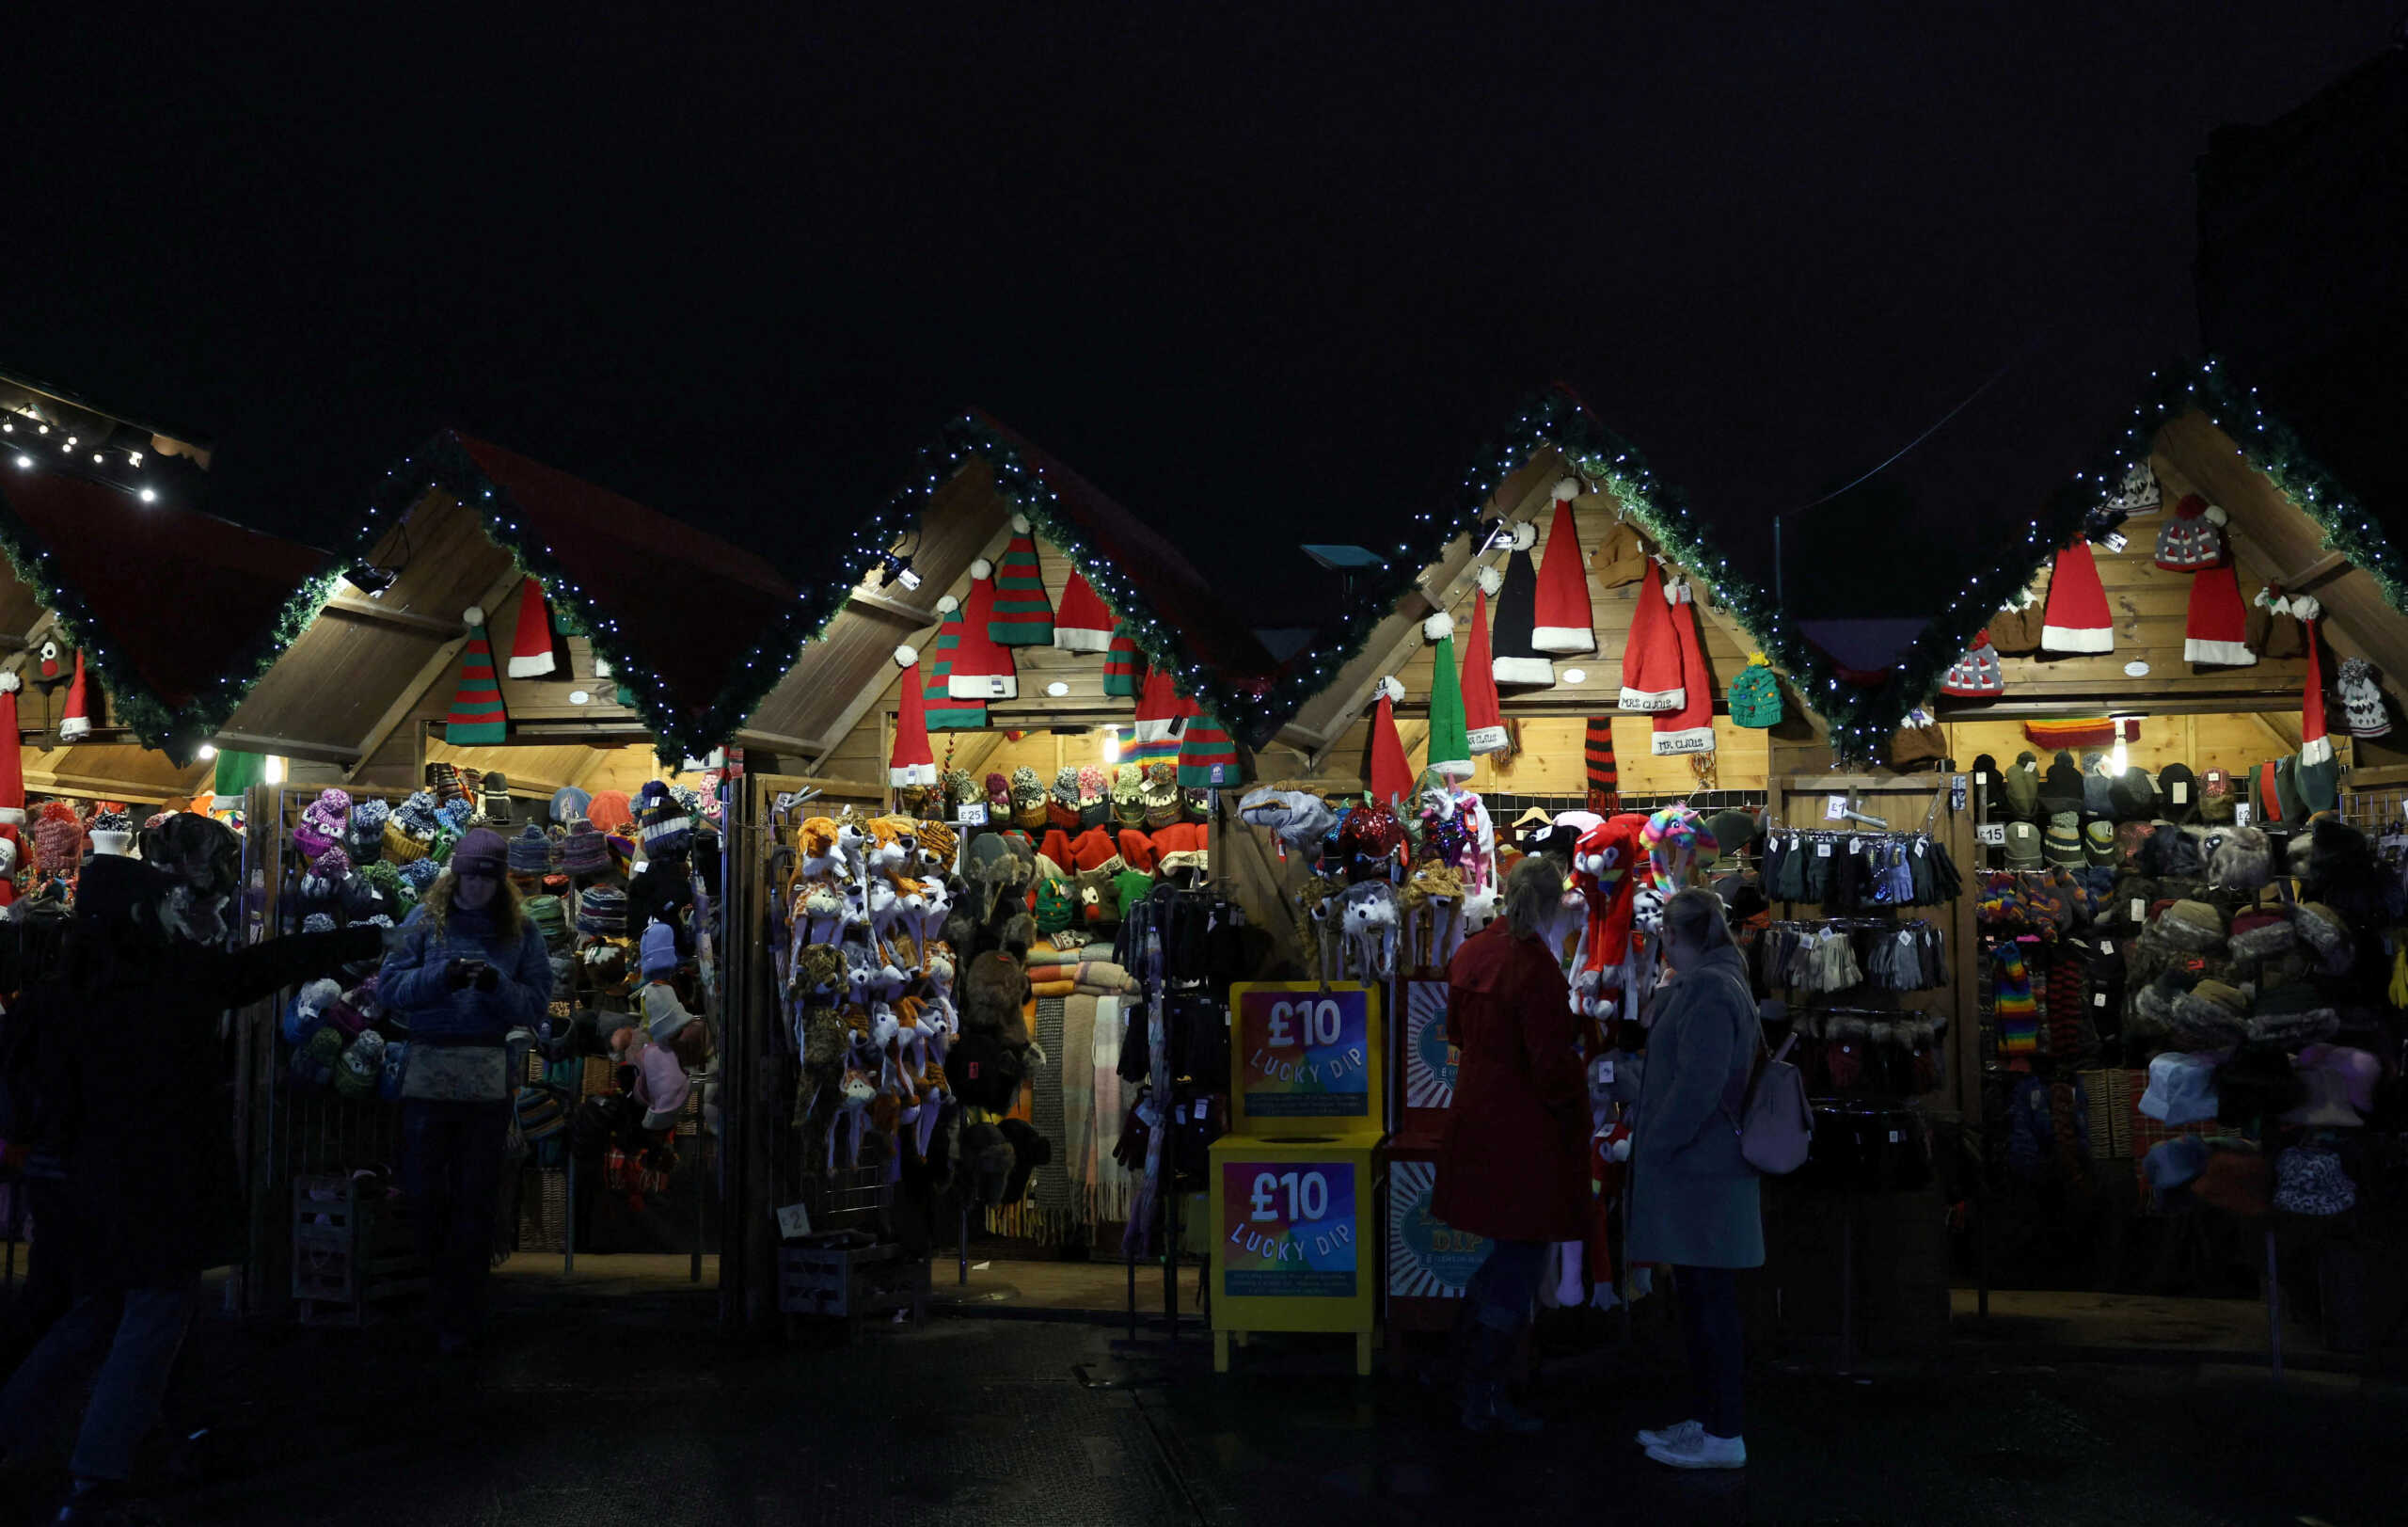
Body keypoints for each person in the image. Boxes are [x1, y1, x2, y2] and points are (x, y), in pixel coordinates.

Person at [0, 819, 383, 1524]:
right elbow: (259, 969)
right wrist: (362, 939)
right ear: (141, 913)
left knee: (97, 1316)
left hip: (86, 1190)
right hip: (161, 1187)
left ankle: (29, 1437)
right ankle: (95, 1474)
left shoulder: (62, 994)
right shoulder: (168, 983)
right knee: (149, 1317)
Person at [1430, 855, 1589, 1433]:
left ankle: (1459, 1374)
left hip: (1475, 1117)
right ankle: (1483, 1393)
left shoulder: (1472, 952)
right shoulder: (1537, 970)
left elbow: (1452, 1033)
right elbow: (1550, 1069)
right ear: (1551, 905)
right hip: (1523, 1132)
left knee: (1502, 1255)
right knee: (1519, 1260)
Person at [378, 827, 552, 1353]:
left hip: (485, 1075)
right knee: (426, 1193)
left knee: (477, 1198)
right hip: (429, 1070)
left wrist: (497, 986)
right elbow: (388, 989)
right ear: (455, 872)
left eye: (487, 879)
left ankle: (465, 1312)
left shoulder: (521, 931)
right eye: (470, 876)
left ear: (501, 881)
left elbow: (537, 1004)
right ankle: (436, 1302)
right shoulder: (423, 922)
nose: (477, 888)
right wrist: (442, 980)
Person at [1626, 886, 1765, 1471]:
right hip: (1704, 1175)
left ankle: (1722, 1434)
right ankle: (1711, 1423)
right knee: (1705, 1303)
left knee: (1709, 1307)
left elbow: (1697, 1088)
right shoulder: (1715, 979)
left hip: (1702, 1176)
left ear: (1675, 936)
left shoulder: (1708, 989)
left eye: (1663, 936)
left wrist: (1653, 1143)